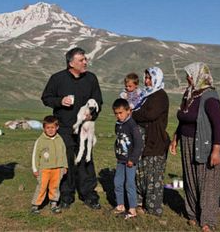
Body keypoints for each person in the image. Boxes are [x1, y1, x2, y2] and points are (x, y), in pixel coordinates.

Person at [41, 47, 103, 210]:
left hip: (85, 128)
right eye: (81, 60)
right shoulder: (57, 79)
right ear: (71, 63)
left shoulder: (91, 79)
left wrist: (92, 115)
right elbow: (46, 98)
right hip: (65, 127)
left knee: (86, 160)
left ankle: (89, 194)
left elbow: (98, 101)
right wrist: (60, 101)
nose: (85, 62)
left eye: (85, 59)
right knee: (66, 161)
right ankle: (66, 195)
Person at [169, 62, 220, 232]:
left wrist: (216, 151)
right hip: (187, 141)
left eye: (190, 75)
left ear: (198, 76)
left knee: (207, 182)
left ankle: (208, 220)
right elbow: (183, 118)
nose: (187, 78)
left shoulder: (210, 97)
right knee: (190, 178)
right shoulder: (189, 94)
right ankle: (193, 213)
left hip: (205, 143)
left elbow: (219, 125)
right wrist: (175, 138)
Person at [132, 66, 169, 216]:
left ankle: (153, 208)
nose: (146, 81)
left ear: (156, 79)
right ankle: (140, 202)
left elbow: (149, 114)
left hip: (155, 140)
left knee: (153, 175)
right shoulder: (146, 95)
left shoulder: (160, 96)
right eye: (146, 78)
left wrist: (134, 113)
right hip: (144, 140)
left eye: (149, 78)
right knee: (141, 172)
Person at [112, 98, 143, 219]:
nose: (118, 116)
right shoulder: (118, 124)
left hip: (130, 161)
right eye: (116, 113)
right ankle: (120, 205)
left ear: (128, 111)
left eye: (121, 113)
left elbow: (139, 143)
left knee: (129, 184)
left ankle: (132, 209)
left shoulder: (132, 125)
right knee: (117, 182)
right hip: (120, 159)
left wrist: (133, 159)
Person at [30, 115, 68, 214]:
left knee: (55, 187)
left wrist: (64, 166)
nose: (50, 130)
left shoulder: (60, 139)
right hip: (44, 169)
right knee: (42, 187)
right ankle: (35, 205)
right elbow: (35, 155)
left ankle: (54, 204)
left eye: (53, 128)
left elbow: (63, 153)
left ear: (57, 127)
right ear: (44, 128)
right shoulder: (40, 141)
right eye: (48, 128)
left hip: (57, 169)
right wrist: (35, 169)